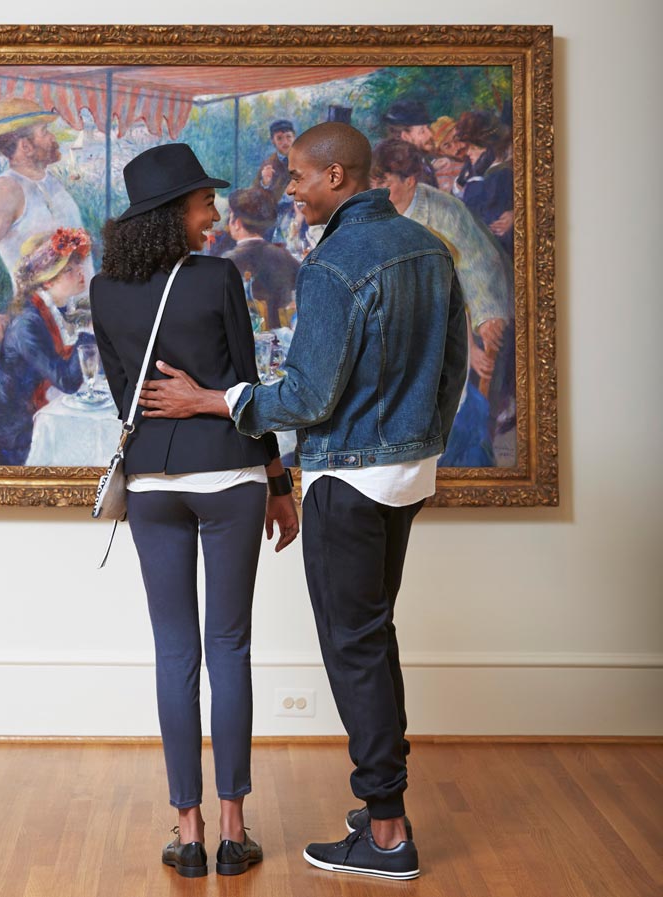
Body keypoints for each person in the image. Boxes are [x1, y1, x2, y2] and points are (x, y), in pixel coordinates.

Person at [138, 123, 468, 881]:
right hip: (407, 478)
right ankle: (385, 807)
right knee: (373, 639)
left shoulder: (332, 265)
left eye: (298, 177)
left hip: (348, 483)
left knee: (354, 651)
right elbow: (451, 368)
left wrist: (212, 400)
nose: (288, 188)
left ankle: (386, 834)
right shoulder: (425, 247)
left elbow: (309, 396)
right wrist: (420, 441)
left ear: (338, 177)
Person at [89, 144, 300, 879]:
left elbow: (125, 396)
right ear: (173, 212)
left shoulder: (104, 288)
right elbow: (246, 383)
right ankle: (235, 829)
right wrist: (278, 481)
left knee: (176, 652)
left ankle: (187, 830)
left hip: (152, 483)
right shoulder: (216, 278)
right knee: (229, 646)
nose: (213, 213)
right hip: (229, 476)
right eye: (203, 202)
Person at [370, 139, 515, 466]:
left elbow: (479, 264)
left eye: (384, 185)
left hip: (451, 320)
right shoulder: (373, 212)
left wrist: (487, 315)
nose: (376, 193)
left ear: (410, 181)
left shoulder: (444, 212)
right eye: (372, 185)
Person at [0, 97, 94, 343]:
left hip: (85, 320)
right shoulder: (4, 190)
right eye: (44, 132)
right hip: (44, 328)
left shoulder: (51, 182)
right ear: (25, 146)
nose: (53, 138)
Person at [0, 227, 93, 465]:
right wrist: (88, 332)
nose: (81, 273)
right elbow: (66, 380)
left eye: (79, 265)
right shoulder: (27, 323)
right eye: (70, 270)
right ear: (48, 280)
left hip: (25, 414)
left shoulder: (56, 310)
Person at [223, 188, 300, 328]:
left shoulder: (228, 263)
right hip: (282, 338)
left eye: (230, 215)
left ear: (237, 223)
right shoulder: (285, 256)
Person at [454, 110, 515, 258]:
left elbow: (475, 214)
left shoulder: (500, 176)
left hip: (498, 254)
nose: (468, 153)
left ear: (489, 149)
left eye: (474, 148)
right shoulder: (477, 171)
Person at [382, 100, 438, 187]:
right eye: (422, 131)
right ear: (405, 136)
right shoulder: (402, 171)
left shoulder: (422, 161)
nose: (430, 134)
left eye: (428, 128)